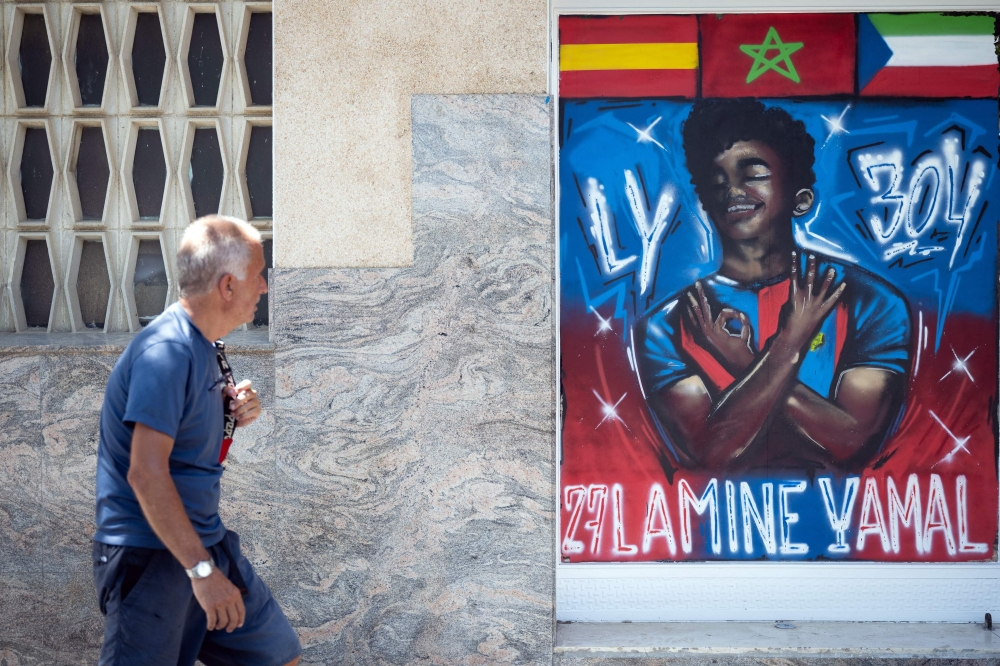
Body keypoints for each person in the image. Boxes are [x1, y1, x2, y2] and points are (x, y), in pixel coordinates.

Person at [635, 99, 911, 473]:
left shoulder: (871, 301)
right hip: (716, 525)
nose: (732, 191)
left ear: (801, 199)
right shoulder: (665, 325)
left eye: (753, 174)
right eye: (717, 182)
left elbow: (850, 442)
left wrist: (747, 361)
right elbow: (711, 452)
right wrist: (787, 345)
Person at [92, 216, 300, 666]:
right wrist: (201, 572)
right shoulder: (165, 353)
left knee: (276, 657)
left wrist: (232, 412)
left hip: (206, 542)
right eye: (258, 275)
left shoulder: (205, 347)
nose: (264, 287)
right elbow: (145, 473)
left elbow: (182, 436)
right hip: (150, 555)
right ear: (228, 286)